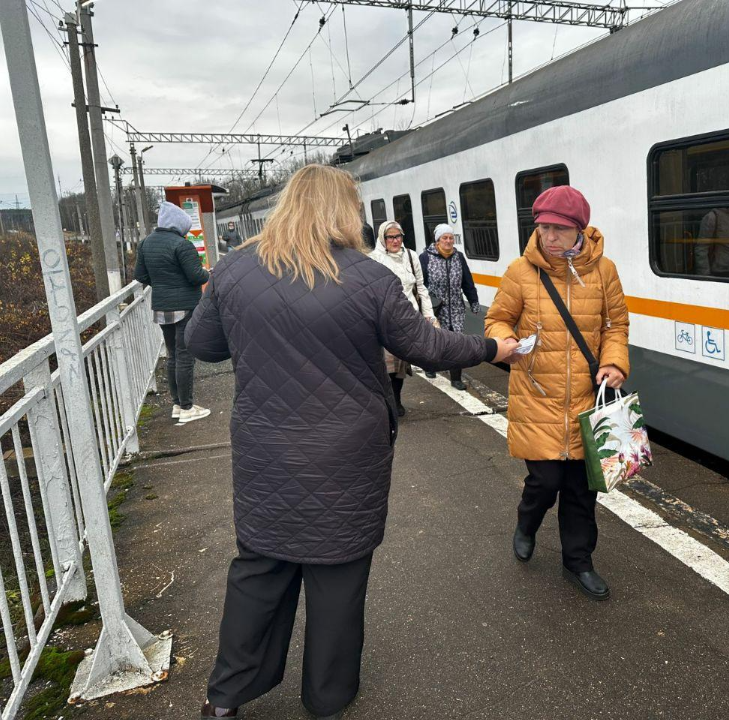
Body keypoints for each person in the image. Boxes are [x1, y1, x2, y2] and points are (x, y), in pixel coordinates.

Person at [185, 165, 518, 720]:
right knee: (338, 576)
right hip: (347, 456)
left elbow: (202, 346)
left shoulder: (235, 269)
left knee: (258, 570)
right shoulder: (369, 279)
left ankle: (224, 699)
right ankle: (327, 698)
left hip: (265, 452)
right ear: (344, 210)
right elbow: (428, 347)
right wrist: (489, 350)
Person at [485, 185, 629, 601]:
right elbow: (497, 319)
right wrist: (504, 341)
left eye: (558, 229)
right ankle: (526, 523)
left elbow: (615, 326)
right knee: (544, 482)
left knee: (583, 491)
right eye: (544, 228)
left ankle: (578, 562)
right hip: (537, 394)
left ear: (579, 230)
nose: (548, 237)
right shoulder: (520, 272)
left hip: (587, 398)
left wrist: (615, 362)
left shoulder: (604, 271)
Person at [134, 201, 211, 425]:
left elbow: (141, 275)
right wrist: (207, 273)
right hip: (185, 306)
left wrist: (162, 284)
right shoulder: (182, 245)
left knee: (172, 355)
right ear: (178, 225)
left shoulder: (145, 243)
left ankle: (178, 405)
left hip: (162, 307)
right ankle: (187, 407)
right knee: (185, 355)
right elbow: (196, 276)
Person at [369, 220, 437, 415]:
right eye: (390, 237)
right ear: (383, 238)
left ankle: (395, 399)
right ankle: (388, 402)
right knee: (386, 365)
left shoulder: (410, 256)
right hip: (384, 319)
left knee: (399, 365)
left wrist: (428, 315)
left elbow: (421, 287)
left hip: (408, 318)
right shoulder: (374, 259)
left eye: (398, 236)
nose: (395, 240)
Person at [420, 223, 481, 391]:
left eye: (450, 238)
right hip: (435, 308)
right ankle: (430, 366)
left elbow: (467, 281)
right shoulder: (425, 257)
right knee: (435, 340)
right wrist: (423, 307)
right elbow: (420, 284)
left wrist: (473, 301)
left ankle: (456, 378)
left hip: (456, 308)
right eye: (444, 238)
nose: (448, 241)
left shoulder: (458, 257)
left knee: (457, 342)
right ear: (437, 240)